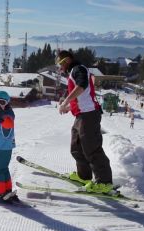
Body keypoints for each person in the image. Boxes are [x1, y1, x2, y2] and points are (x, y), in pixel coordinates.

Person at [56, 50, 114, 194]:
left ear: (67, 60)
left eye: (60, 64)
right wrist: (69, 107)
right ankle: (84, 177)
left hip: (89, 115)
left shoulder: (79, 69)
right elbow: (81, 97)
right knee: (76, 147)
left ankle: (104, 183)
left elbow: (82, 87)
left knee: (92, 148)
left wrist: (65, 101)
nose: (60, 67)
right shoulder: (73, 72)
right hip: (81, 115)